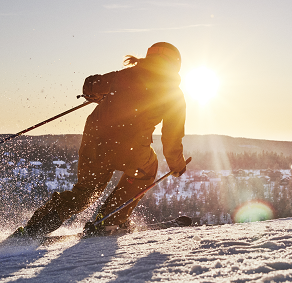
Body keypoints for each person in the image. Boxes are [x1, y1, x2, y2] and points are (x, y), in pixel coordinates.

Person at [12, 42, 188, 238]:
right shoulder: (173, 94)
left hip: (95, 142)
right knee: (146, 170)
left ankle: (34, 228)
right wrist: (176, 165)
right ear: (175, 64)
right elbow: (172, 137)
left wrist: (94, 94)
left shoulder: (123, 76)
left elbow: (91, 84)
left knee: (86, 193)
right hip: (130, 147)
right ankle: (110, 221)